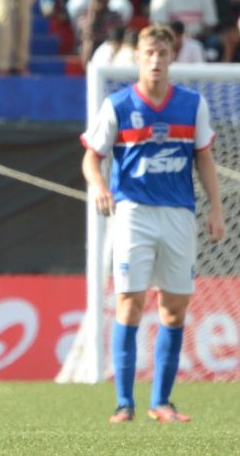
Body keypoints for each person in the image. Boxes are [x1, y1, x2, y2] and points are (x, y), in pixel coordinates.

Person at [80, 24, 225, 424]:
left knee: (175, 309)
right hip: (133, 214)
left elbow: (205, 159)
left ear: (171, 57)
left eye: (163, 54)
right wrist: (97, 185)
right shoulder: (119, 105)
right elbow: (91, 156)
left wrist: (216, 208)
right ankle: (124, 404)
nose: (156, 61)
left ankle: (161, 402)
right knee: (130, 302)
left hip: (179, 213)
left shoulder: (192, 104)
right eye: (149, 54)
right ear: (138, 58)